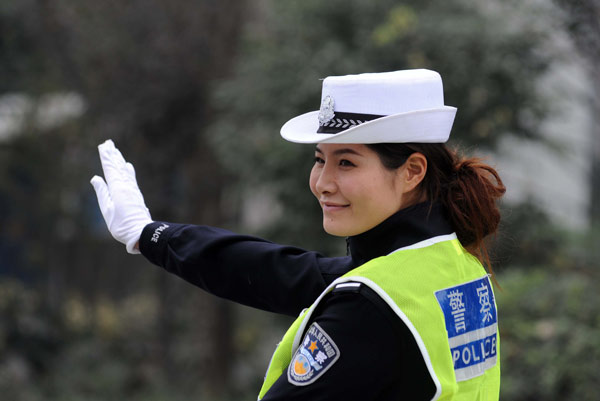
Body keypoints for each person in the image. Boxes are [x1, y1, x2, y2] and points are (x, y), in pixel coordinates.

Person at [91, 69, 505, 400]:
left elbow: (351, 300)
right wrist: (151, 235)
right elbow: (280, 272)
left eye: (346, 163)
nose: (322, 182)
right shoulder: (453, 266)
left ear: (413, 171)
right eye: (319, 159)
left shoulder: (369, 307)